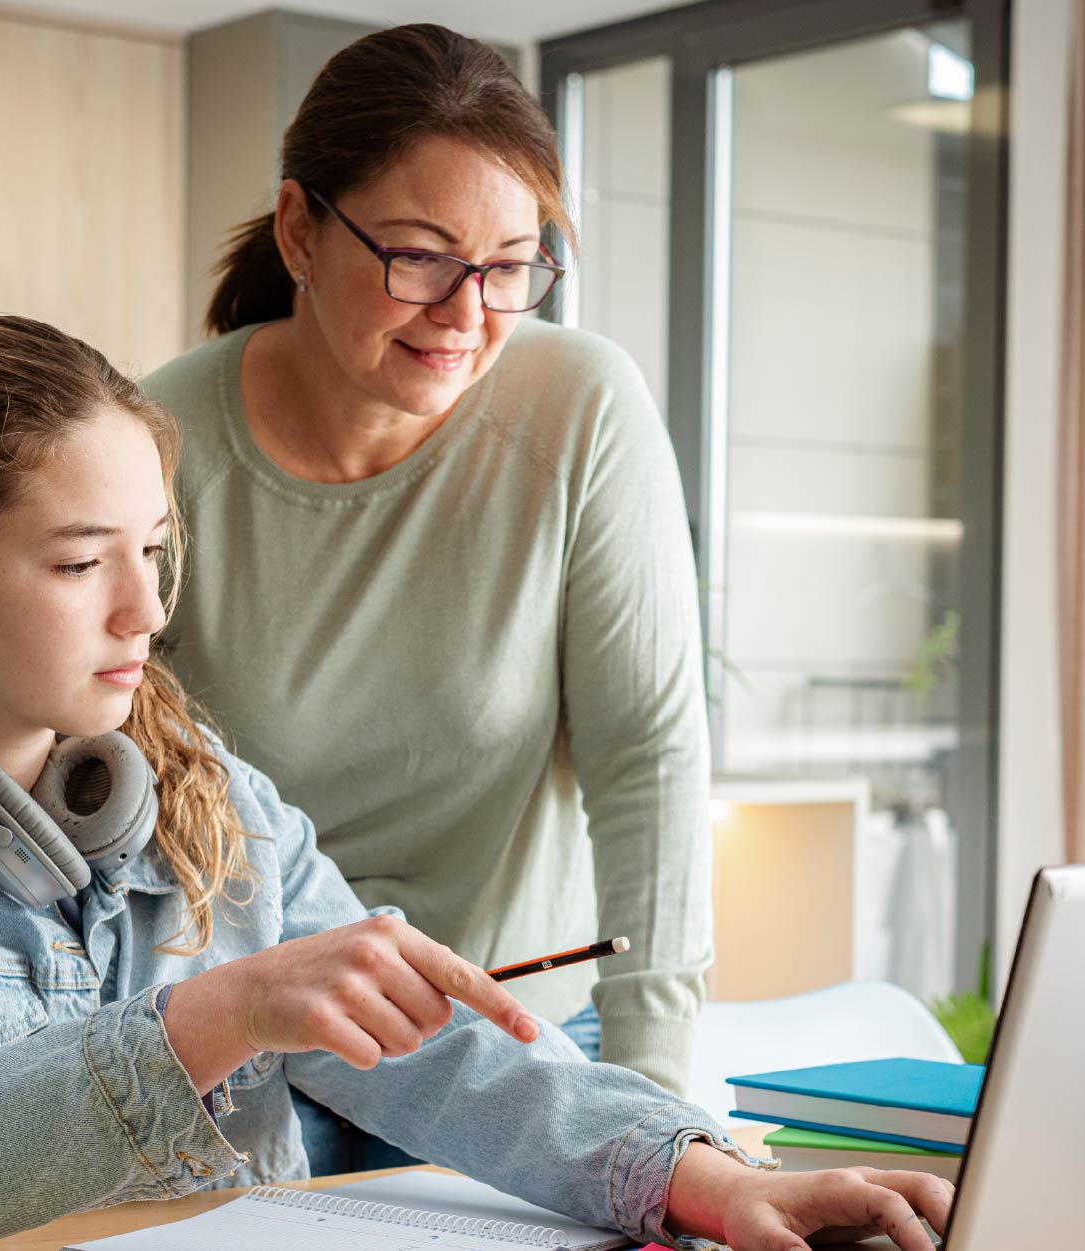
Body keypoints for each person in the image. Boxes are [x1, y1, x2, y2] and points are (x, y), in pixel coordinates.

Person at [0, 315, 951, 1251]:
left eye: (155, 551)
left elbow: (431, 1047)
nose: (145, 608)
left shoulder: (201, 781)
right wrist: (217, 1013)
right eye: (77, 563)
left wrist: (703, 1177)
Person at [140, 25, 713, 1167]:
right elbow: (62, 761)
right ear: (301, 229)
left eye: (510, 263)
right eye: (418, 256)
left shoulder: (577, 406)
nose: (468, 312)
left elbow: (646, 758)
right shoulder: (156, 442)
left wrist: (658, 1111)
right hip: (268, 1077)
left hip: (528, 1049)